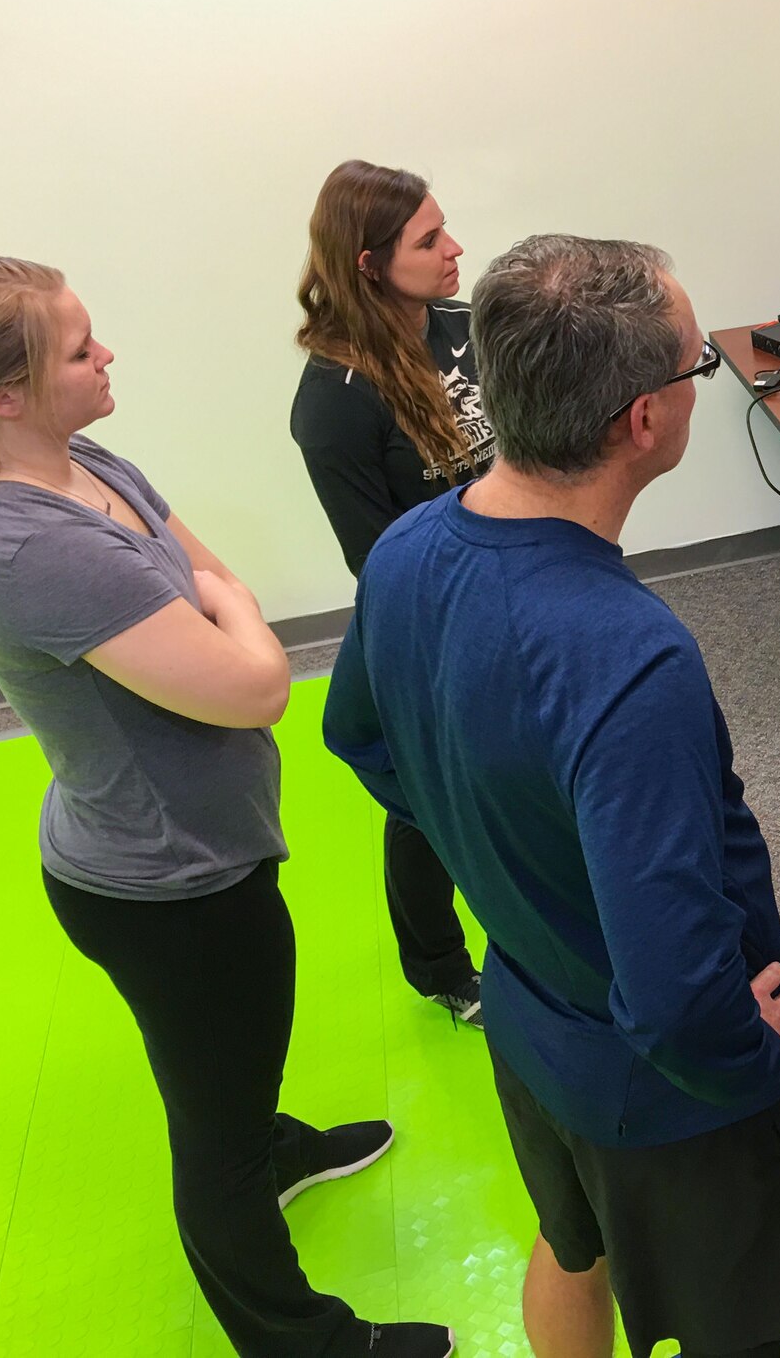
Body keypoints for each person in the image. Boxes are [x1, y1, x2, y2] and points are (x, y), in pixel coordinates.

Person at [323, 235, 780, 1358]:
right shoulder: (630, 659)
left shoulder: (404, 552)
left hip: (526, 1021)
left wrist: (492, 843)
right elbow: (678, 989)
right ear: (643, 421)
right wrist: (747, 1058)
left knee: (569, 1246)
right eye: (695, 368)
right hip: (664, 1099)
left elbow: (354, 735)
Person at [0, 256, 453, 1358]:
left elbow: (217, 588)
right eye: (79, 348)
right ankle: (298, 1338)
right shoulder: (27, 546)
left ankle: (270, 1143)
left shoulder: (84, 460)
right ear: (3, 394)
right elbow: (256, 685)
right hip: (165, 883)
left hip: (204, 847)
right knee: (213, 1134)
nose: (107, 357)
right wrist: (230, 610)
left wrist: (222, 605)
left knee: (235, 1059)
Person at [291, 159, 493, 1026]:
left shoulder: (461, 326)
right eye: (429, 240)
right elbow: (378, 561)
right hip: (432, 620)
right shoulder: (334, 403)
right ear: (370, 263)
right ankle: (441, 967)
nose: (455, 250)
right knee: (428, 803)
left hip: (518, 581)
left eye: (446, 227)